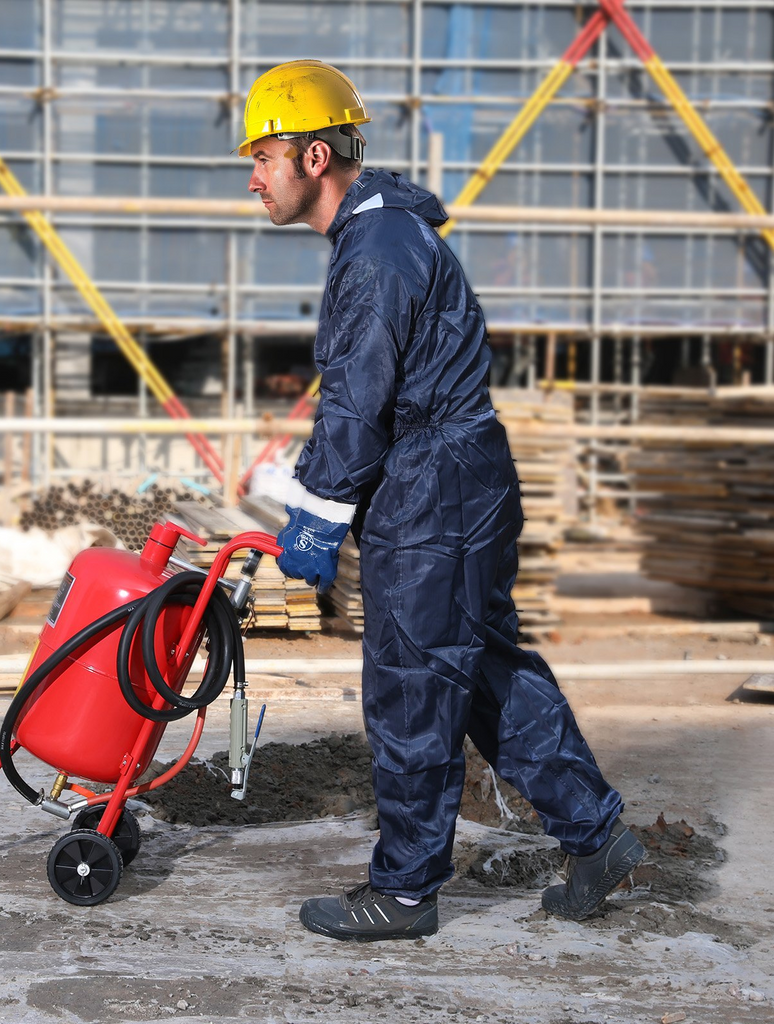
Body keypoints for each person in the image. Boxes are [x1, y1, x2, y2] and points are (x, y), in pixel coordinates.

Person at [240, 60, 644, 941]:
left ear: (314, 157)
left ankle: (407, 891)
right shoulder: (377, 239)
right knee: (484, 675)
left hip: (436, 491)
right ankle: (597, 834)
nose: (252, 178)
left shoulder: (377, 253)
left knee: (414, 687)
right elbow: (355, 392)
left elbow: (357, 401)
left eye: (262, 157)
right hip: (451, 480)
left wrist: (314, 521)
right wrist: (318, 494)